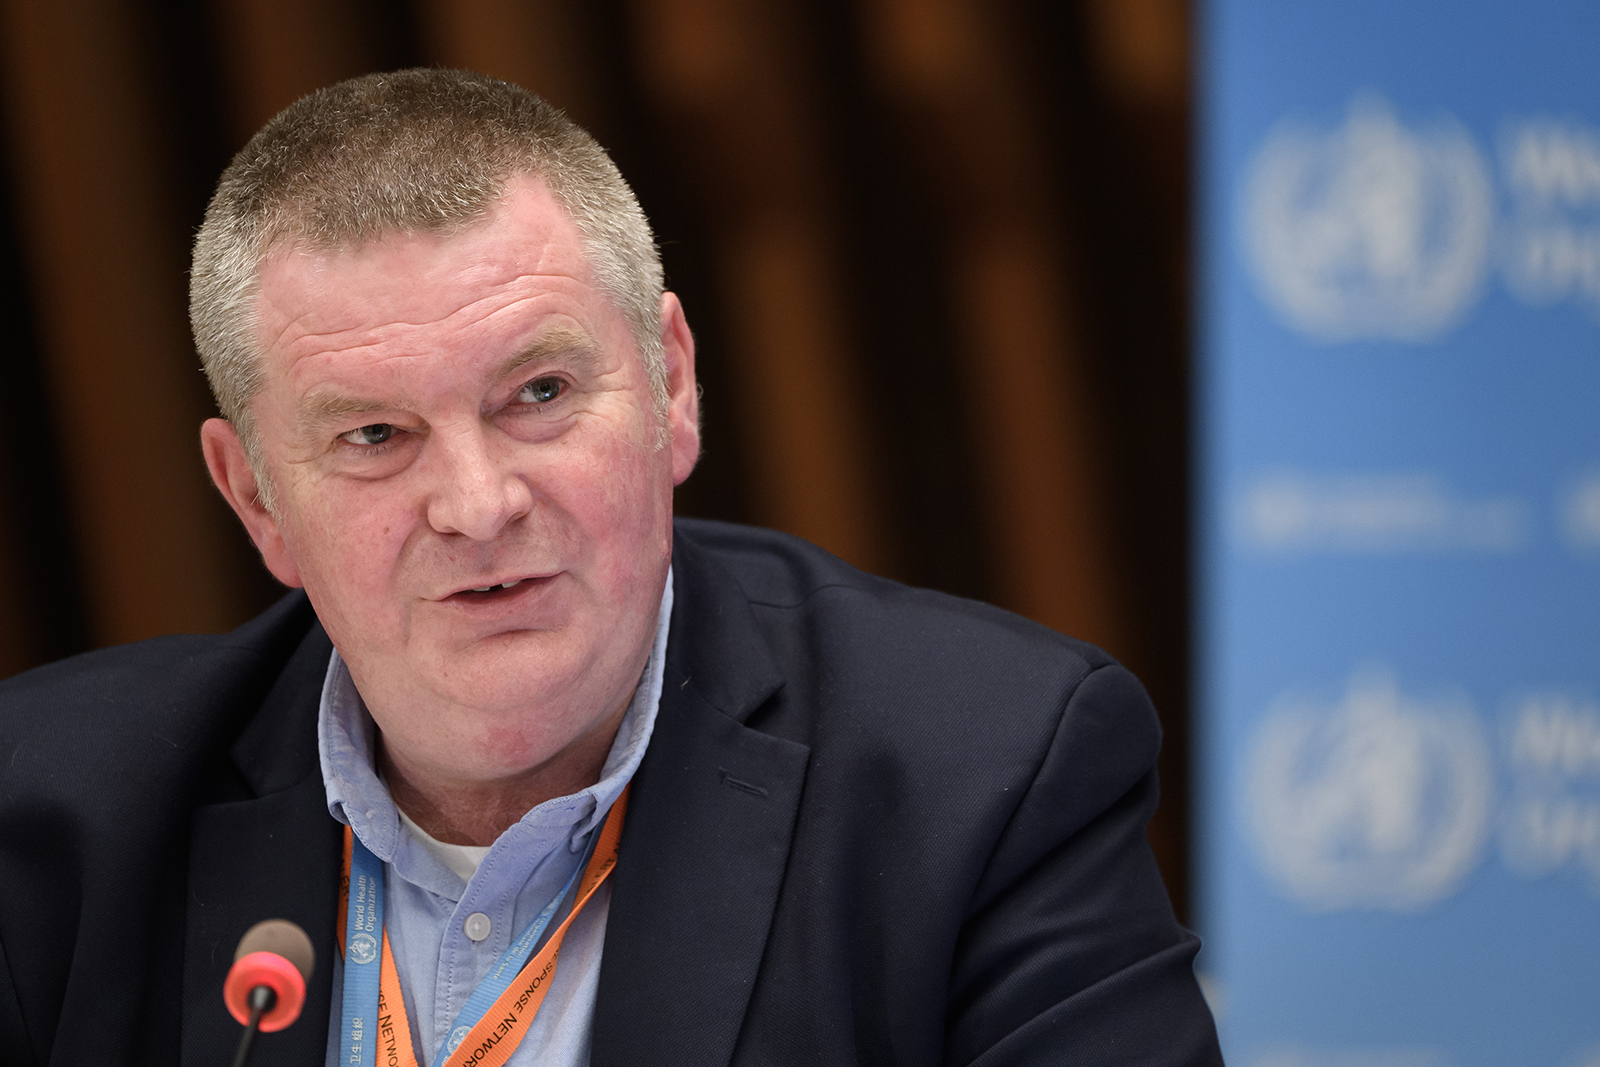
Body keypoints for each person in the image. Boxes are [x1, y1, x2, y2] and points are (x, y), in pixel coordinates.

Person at [0, 69, 1222, 1067]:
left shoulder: (982, 776)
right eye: (374, 435)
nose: (479, 504)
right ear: (256, 495)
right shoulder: (51, 814)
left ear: (673, 386)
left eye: (538, 393)